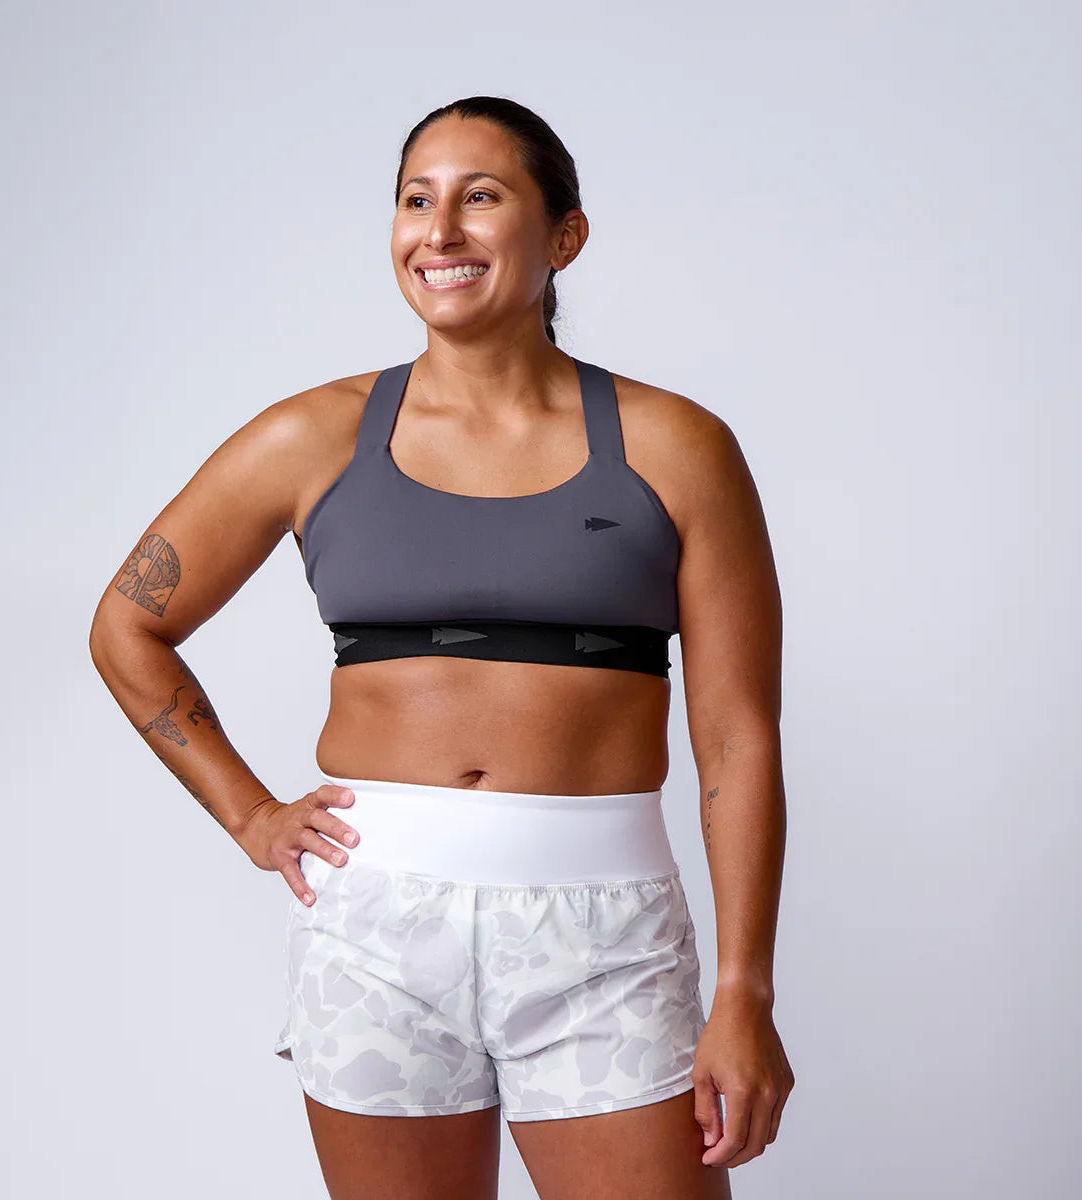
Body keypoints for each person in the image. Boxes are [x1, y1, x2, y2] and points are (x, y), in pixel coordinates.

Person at [89, 94, 793, 1200]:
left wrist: (744, 992)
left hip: (604, 935)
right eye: (417, 200)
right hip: (374, 932)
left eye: (481, 197)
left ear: (565, 234)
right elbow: (128, 624)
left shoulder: (677, 446)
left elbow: (738, 739)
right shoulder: (311, 435)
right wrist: (250, 814)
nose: (441, 230)